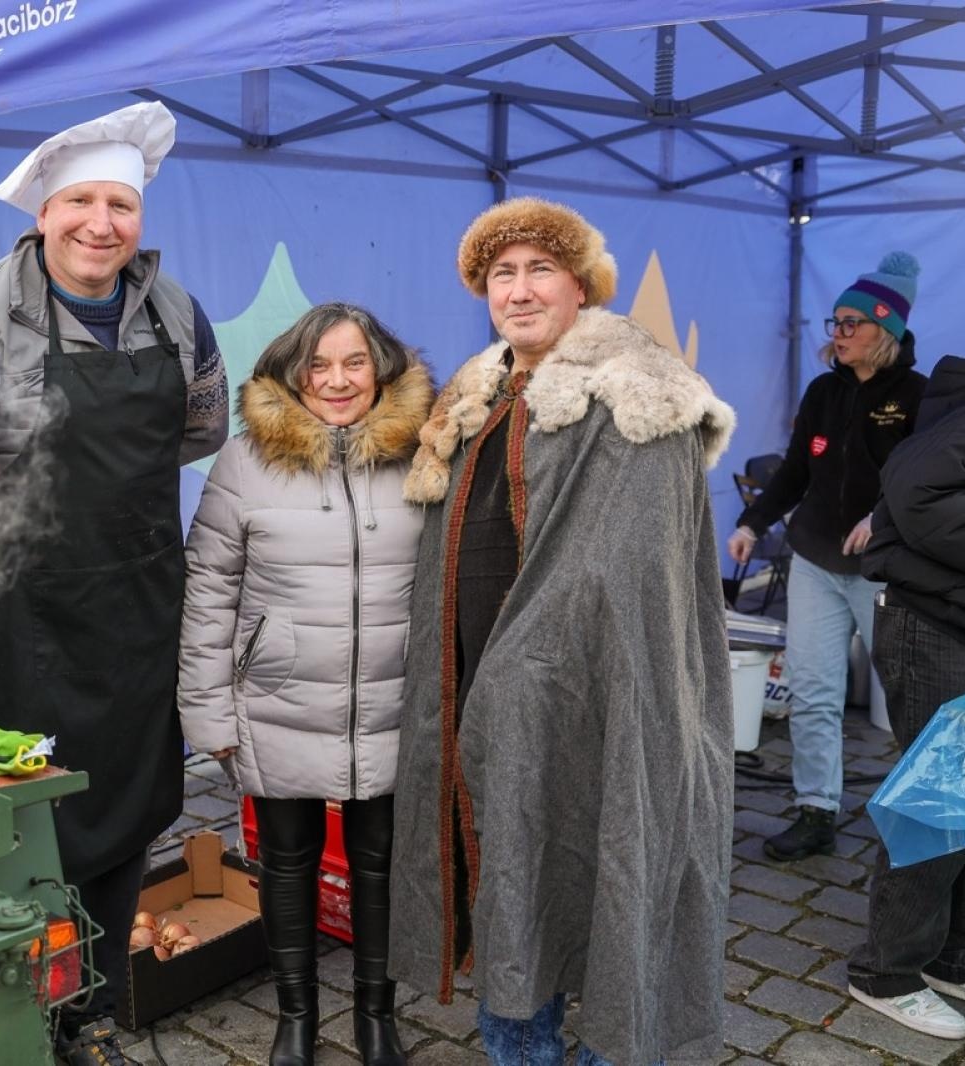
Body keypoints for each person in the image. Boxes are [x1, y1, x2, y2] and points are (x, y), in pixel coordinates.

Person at [0, 101, 228, 1066]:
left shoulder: (177, 313)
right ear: (43, 212)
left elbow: (204, 429)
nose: (101, 224)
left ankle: (94, 1013)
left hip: (140, 612)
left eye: (121, 205)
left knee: (129, 812)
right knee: (30, 826)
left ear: (140, 217)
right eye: (80, 203)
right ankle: (26, 1016)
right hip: (25, 620)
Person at [387, 198, 736, 1065]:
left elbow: (637, 572)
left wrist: (534, 661)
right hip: (474, 675)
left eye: (540, 269)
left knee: (596, 841)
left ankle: (609, 1042)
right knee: (508, 859)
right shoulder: (473, 398)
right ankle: (522, 1042)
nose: (519, 290)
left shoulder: (638, 395)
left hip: (589, 684)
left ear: (582, 285)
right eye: (501, 274)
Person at [179, 304, 431, 1066]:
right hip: (278, 701)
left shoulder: (423, 453)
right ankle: (296, 1018)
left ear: (381, 370)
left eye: (354, 363)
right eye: (318, 365)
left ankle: (377, 1018)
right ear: (292, 374)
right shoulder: (245, 463)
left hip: (391, 699)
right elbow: (209, 589)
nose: (337, 380)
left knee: (380, 861)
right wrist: (208, 711)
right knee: (286, 861)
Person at [726, 253, 928, 862]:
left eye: (850, 323)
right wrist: (753, 522)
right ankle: (816, 810)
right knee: (814, 692)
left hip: (883, 573)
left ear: (883, 327)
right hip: (814, 561)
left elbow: (926, 484)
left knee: (907, 697)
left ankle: (922, 818)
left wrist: (879, 519)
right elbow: (795, 471)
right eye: (835, 322)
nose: (838, 333)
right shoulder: (822, 391)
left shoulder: (919, 396)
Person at [843, 353, 965, 1038]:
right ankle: (887, 971)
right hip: (933, 628)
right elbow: (918, 488)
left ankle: (962, 956)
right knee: (940, 801)